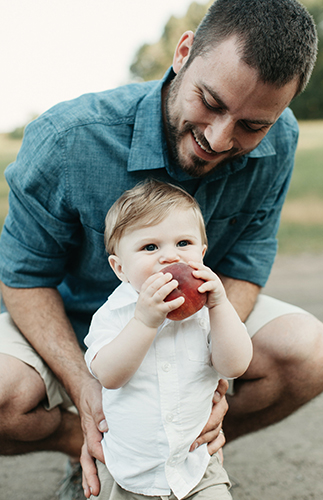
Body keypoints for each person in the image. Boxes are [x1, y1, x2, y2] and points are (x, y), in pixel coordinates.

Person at [0, 0, 321, 499]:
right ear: (184, 52)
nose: (219, 138)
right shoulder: (68, 138)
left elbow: (245, 262)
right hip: (74, 320)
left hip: (193, 322)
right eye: (211, 102)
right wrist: (89, 393)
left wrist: (212, 378)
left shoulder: (279, 142)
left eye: (252, 125)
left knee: (311, 352)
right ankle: (101, 451)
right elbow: (22, 277)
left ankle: (186, 455)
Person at [84, 180, 253, 500]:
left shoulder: (209, 313)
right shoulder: (114, 316)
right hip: (129, 471)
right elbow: (109, 375)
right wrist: (144, 322)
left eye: (184, 243)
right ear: (120, 268)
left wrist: (220, 305)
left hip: (195, 469)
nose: (169, 257)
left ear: (202, 253)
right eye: (150, 247)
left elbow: (235, 365)